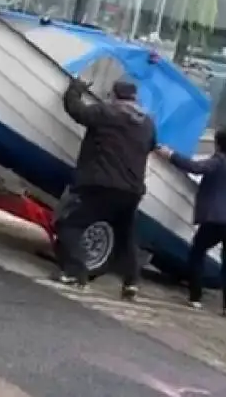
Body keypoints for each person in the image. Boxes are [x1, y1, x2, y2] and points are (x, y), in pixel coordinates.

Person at [55, 78, 157, 300]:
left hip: (102, 185)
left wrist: (75, 88)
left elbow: (77, 111)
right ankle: (131, 283)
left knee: (70, 225)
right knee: (126, 237)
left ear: (114, 95)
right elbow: (151, 145)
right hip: (132, 190)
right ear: (135, 98)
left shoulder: (106, 112)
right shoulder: (148, 123)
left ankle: (76, 272)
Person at [156, 127, 226, 317]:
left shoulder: (219, 161)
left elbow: (196, 168)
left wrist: (170, 155)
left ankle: (195, 298)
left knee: (198, 252)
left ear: (220, 144)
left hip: (217, 218)